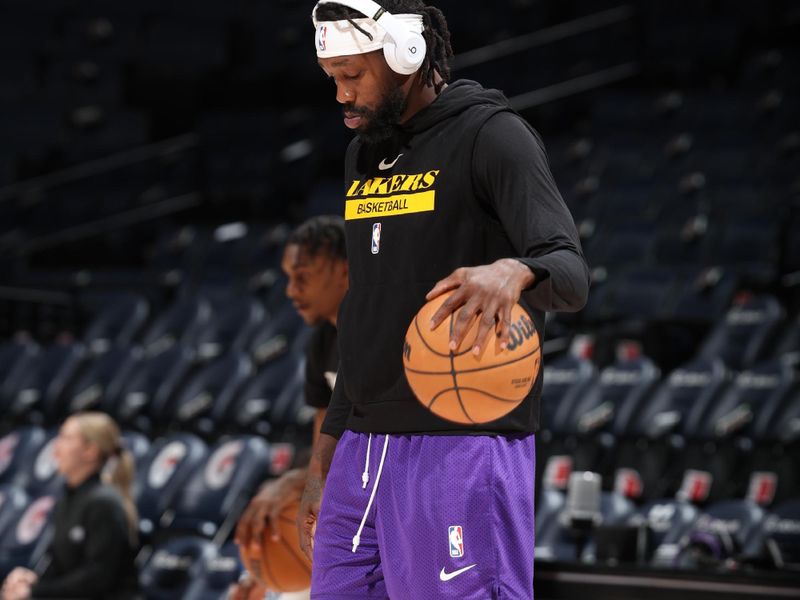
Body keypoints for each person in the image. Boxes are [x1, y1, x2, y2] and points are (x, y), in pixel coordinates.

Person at [298, 1, 590, 598]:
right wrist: (323, 456)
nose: (341, 96)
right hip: (364, 444)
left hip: (462, 434)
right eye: (333, 79)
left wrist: (513, 271)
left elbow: (571, 271)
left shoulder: (493, 136)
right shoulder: (364, 155)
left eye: (353, 76)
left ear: (408, 55)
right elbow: (366, 312)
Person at [230, 216, 348, 600]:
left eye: (303, 276)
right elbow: (323, 436)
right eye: (287, 277)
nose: (291, 290)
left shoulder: (381, 333)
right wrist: (299, 484)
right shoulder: (321, 341)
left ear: (343, 272)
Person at [1, 412, 140, 600]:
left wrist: (35, 592)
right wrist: (32, 581)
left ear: (90, 450)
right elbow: (61, 565)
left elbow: (97, 579)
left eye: (66, 438)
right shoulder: (69, 497)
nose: (56, 446)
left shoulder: (104, 502)